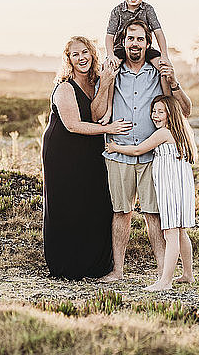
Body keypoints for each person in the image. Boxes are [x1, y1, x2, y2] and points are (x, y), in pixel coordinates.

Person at [91, 20, 192, 283]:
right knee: (121, 213)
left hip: (151, 157)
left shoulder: (158, 73)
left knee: (153, 215)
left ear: (148, 44)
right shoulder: (113, 72)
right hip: (118, 154)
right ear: (122, 43)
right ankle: (118, 271)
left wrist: (174, 80)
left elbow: (184, 110)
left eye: (139, 39)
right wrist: (105, 82)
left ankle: (162, 273)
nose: (134, 44)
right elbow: (97, 113)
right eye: (130, 39)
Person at [42, 36, 132, 279]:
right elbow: (73, 125)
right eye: (75, 54)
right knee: (68, 203)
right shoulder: (64, 87)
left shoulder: (97, 82)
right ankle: (66, 264)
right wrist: (109, 130)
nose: (81, 58)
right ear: (68, 59)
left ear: (93, 54)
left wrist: (106, 83)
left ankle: (95, 263)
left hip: (91, 148)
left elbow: (97, 113)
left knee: (96, 200)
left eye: (85, 52)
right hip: (63, 150)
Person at [106, 95, 196, 291]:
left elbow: (138, 150)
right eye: (153, 111)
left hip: (171, 187)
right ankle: (188, 274)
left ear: (171, 114)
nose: (155, 116)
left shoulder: (164, 133)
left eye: (160, 112)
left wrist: (115, 147)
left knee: (170, 233)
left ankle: (165, 281)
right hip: (182, 187)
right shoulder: (183, 131)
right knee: (181, 232)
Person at [105, 0, 170, 69]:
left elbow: (158, 32)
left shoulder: (148, 10)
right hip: (121, 48)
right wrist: (110, 55)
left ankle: (170, 84)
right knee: (109, 67)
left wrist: (164, 55)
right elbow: (110, 36)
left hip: (143, 48)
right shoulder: (117, 11)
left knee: (164, 66)